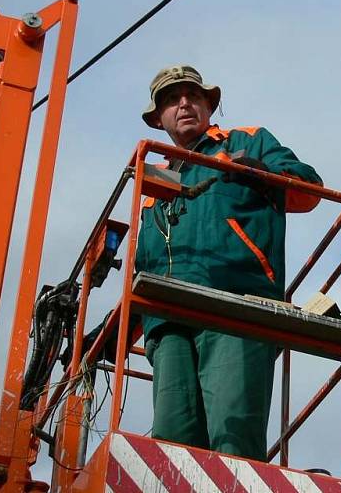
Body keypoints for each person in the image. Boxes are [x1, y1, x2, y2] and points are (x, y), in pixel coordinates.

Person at [135, 64, 322, 461]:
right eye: (171, 99)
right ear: (159, 118)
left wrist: (259, 172)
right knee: (171, 443)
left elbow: (309, 189)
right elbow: (141, 272)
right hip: (168, 320)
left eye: (193, 96)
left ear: (209, 105)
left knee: (232, 441)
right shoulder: (152, 184)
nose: (184, 104)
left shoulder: (247, 142)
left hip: (235, 305)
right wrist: (100, 337)